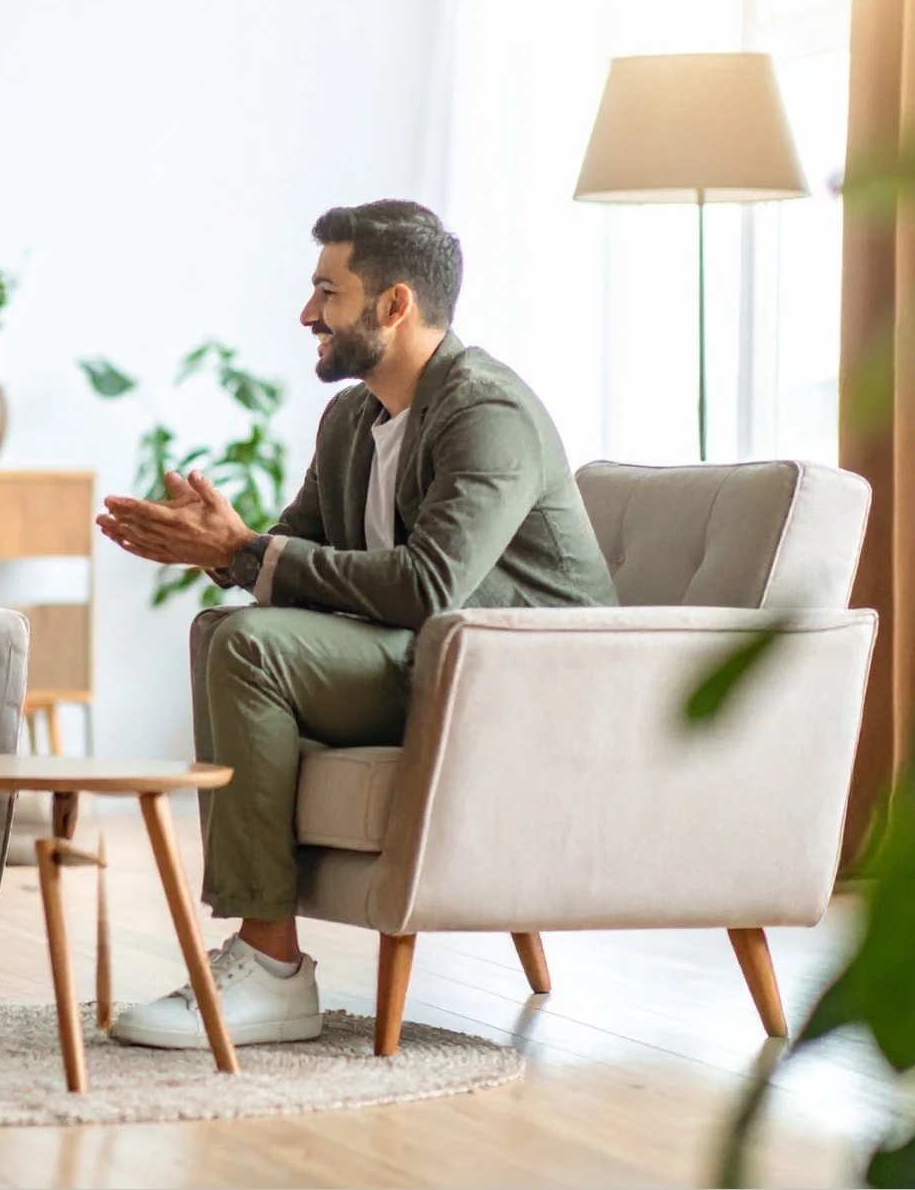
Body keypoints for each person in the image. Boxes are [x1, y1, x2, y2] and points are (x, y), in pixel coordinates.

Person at [96, 199, 616, 1050]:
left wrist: (246, 549)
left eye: (325, 292)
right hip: (430, 663)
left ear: (394, 305)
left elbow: (428, 582)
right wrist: (216, 547)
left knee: (248, 642)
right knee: (219, 629)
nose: (307, 315)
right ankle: (265, 958)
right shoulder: (352, 418)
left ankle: (267, 972)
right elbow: (292, 547)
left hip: (519, 682)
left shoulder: (486, 412)